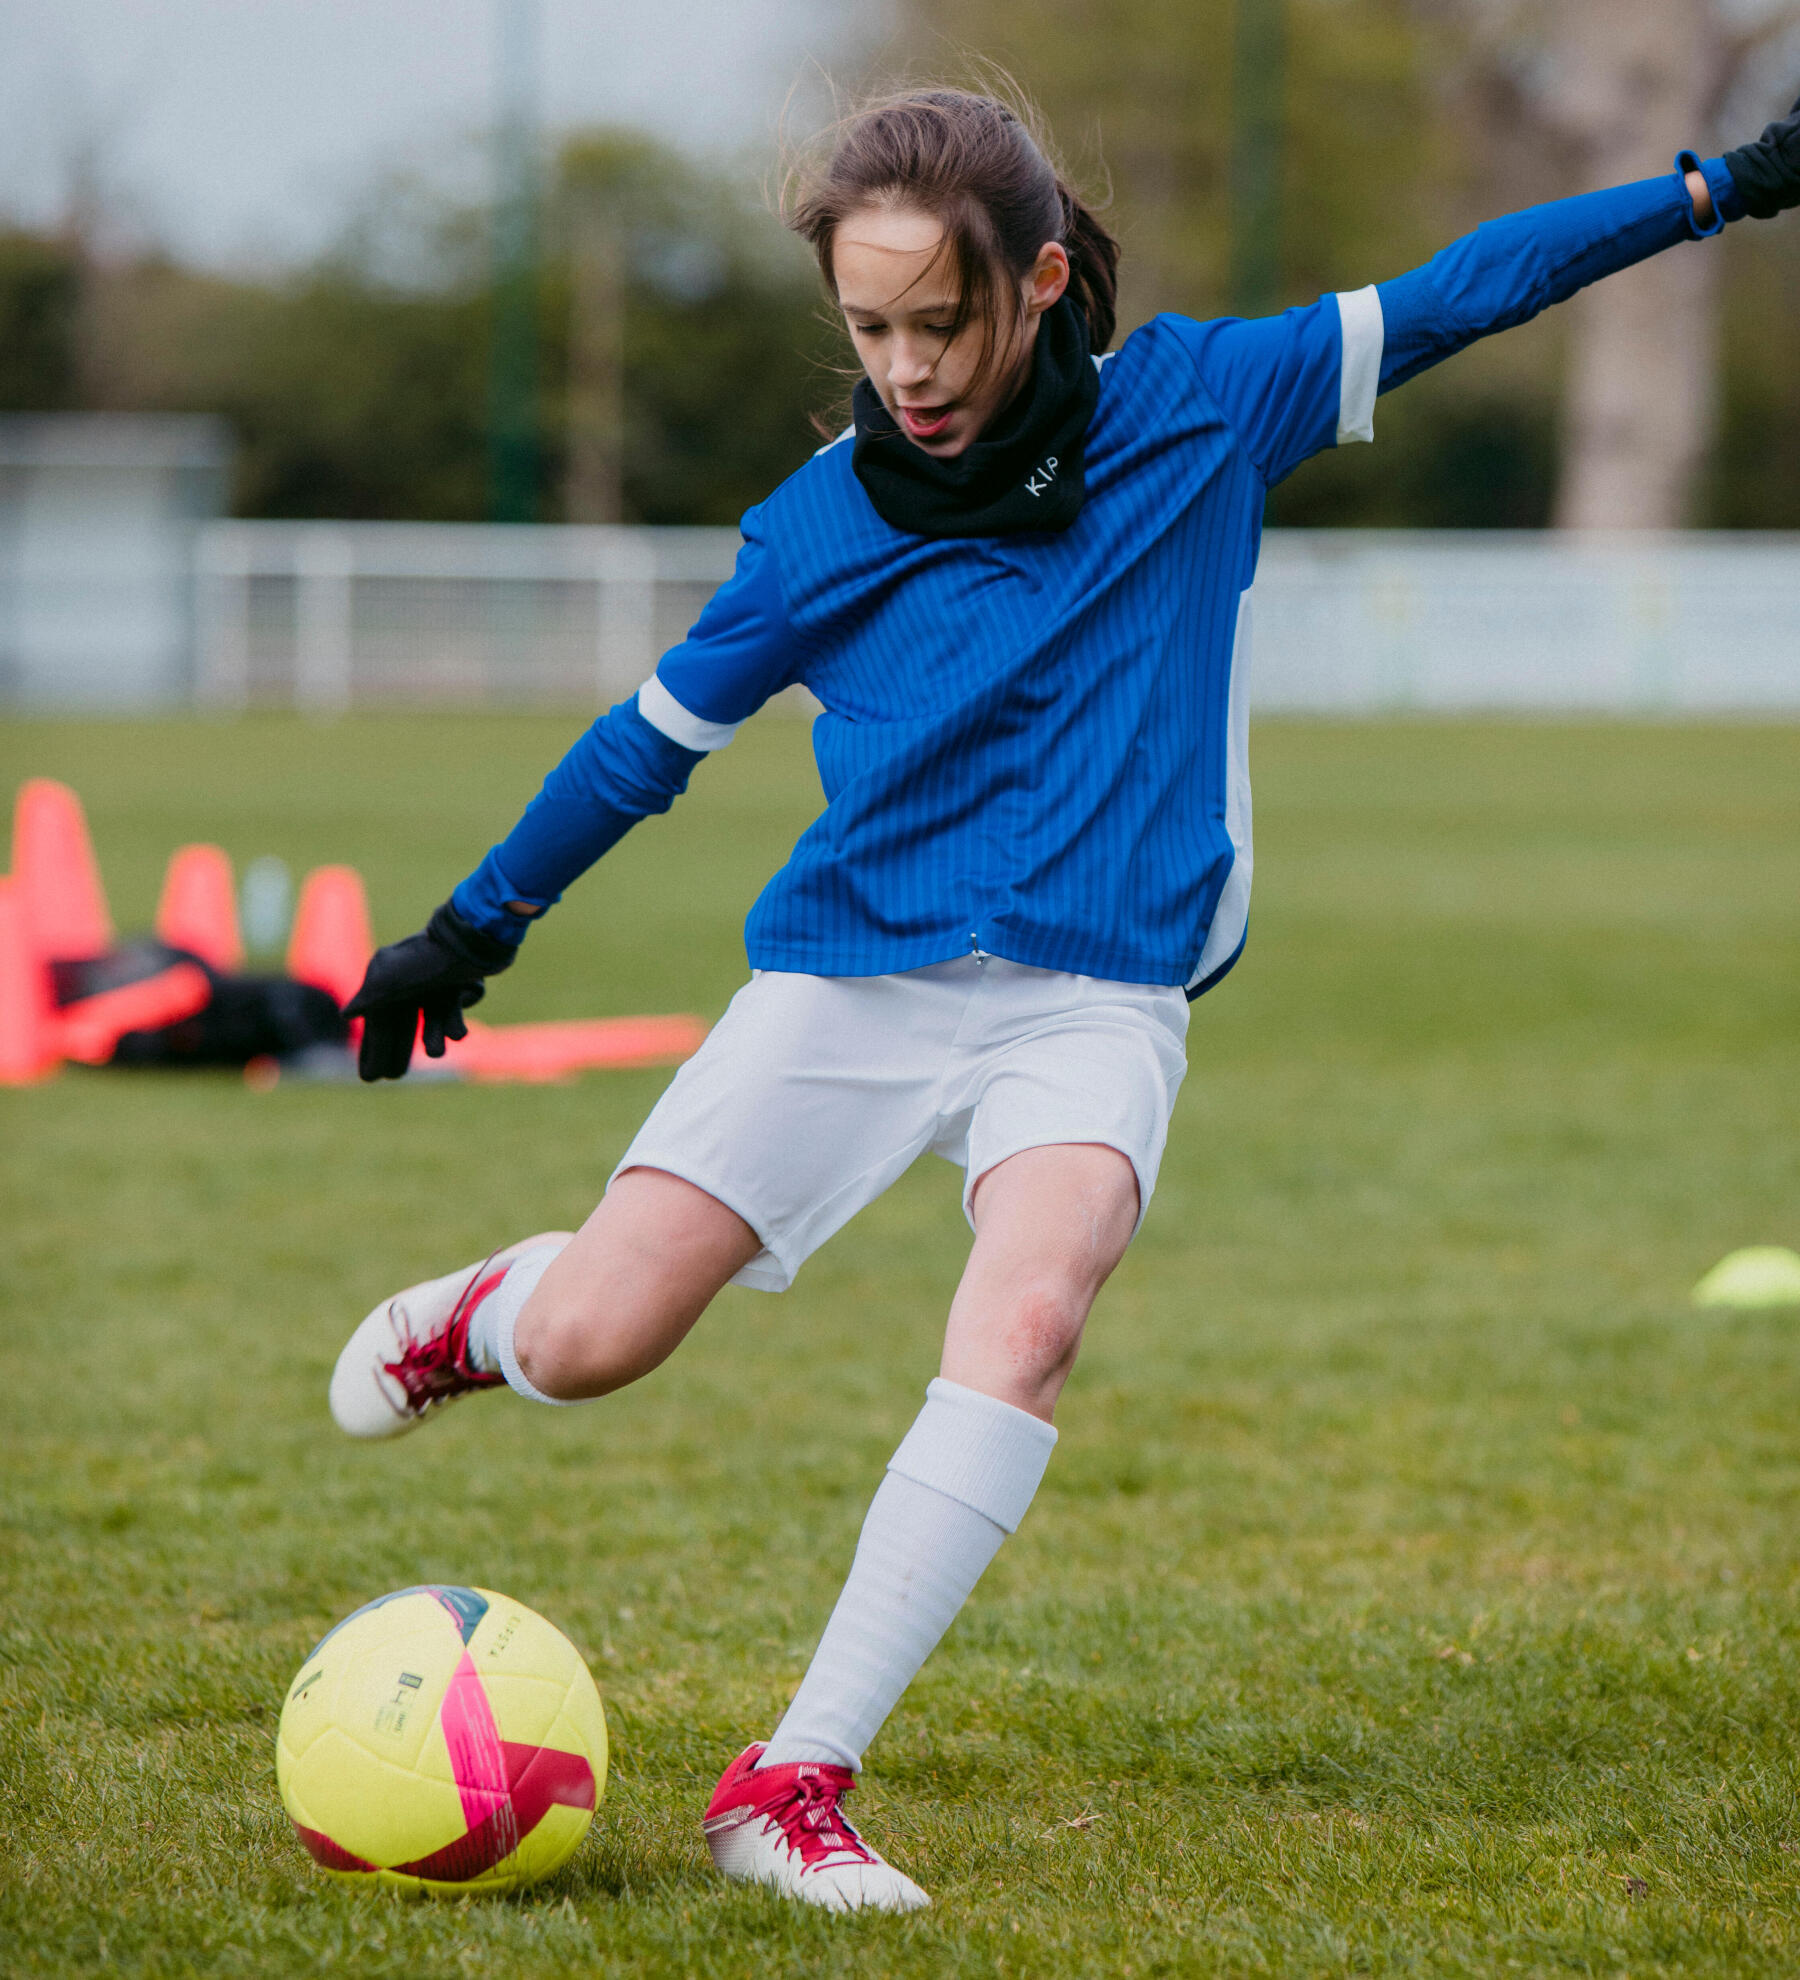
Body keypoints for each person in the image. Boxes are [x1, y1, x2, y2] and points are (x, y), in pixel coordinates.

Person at [330, 84, 1800, 1913]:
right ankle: (489, 1312)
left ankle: (789, 1780)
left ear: (1035, 283)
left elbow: (1467, 287)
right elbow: (648, 749)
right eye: (868, 331)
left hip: (1094, 1000)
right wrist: (471, 927)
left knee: (1029, 1318)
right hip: (847, 985)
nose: (905, 369)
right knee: (592, 1349)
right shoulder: (812, 533)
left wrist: (1720, 189)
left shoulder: (1205, 407)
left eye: (938, 323)